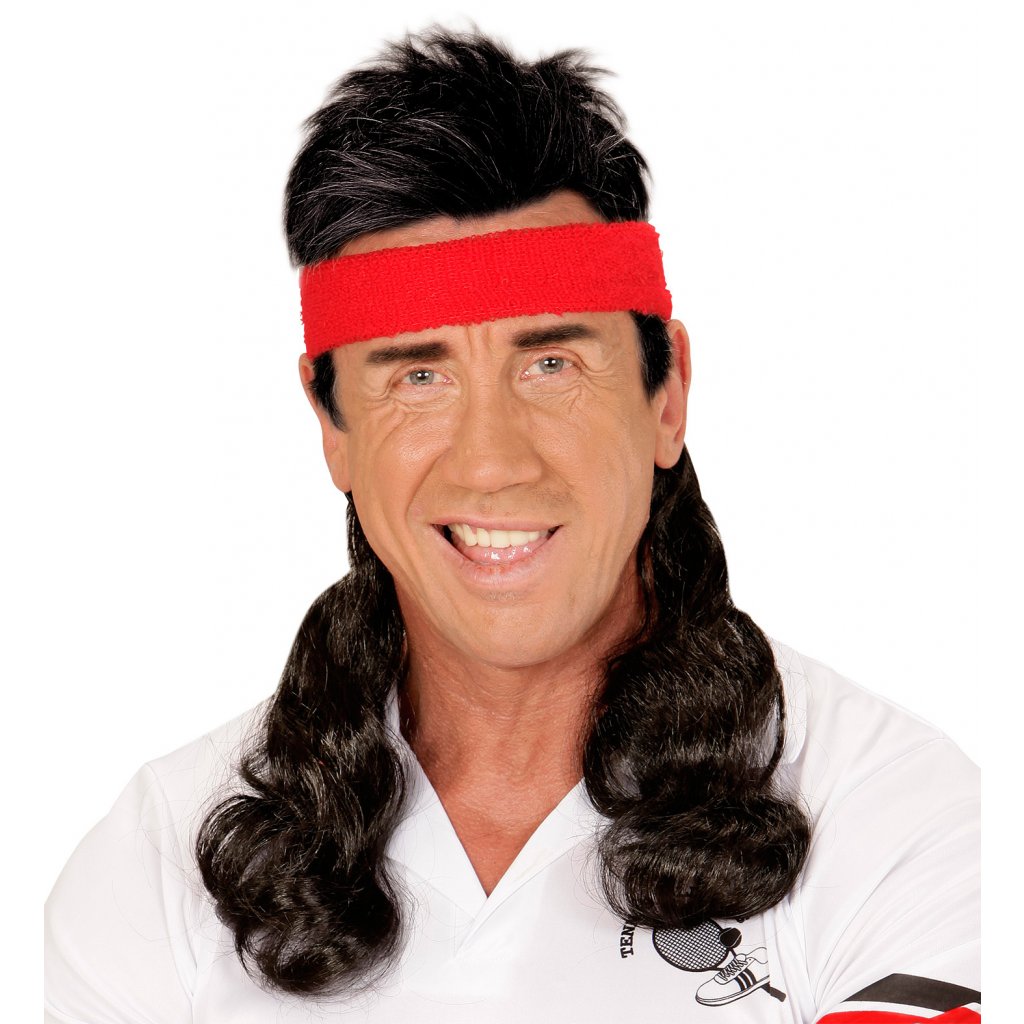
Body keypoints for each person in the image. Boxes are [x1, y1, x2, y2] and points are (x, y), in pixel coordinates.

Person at [44, 25, 980, 1024]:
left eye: (551, 364)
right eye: (418, 374)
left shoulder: (897, 821)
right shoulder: (160, 869)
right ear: (333, 428)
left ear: (668, 395)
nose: (492, 462)